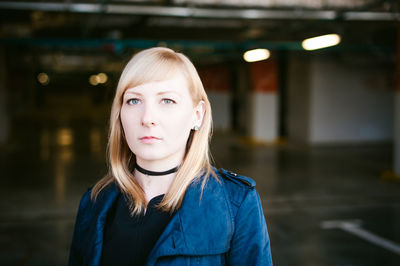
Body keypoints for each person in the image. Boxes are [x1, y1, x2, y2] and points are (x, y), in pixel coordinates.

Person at [68, 47, 273, 266]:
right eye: (134, 101)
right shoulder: (94, 203)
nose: (147, 118)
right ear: (119, 114)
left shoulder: (237, 204)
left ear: (197, 115)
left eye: (167, 101)